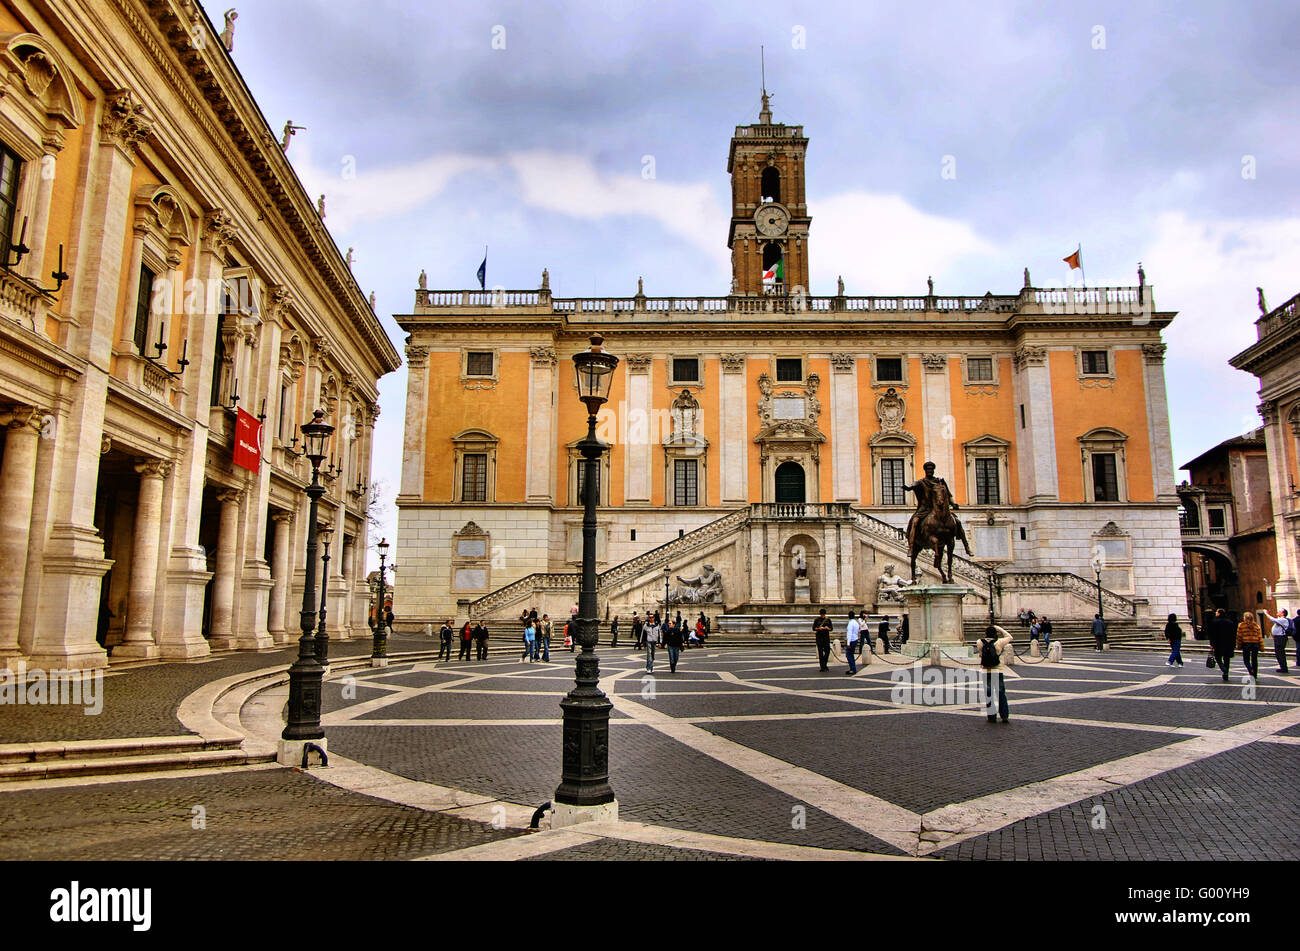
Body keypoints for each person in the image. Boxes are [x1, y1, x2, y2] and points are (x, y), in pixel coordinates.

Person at [977, 625, 1014, 723]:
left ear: (985, 633)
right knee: (1001, 693)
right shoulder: (999, 642)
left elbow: (981, 654)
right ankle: (1004, 715)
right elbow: (1010, 637)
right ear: (995, 633)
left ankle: (991, 716)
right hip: (997, 670)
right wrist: (1000, 629)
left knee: (989, 694)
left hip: (986, 671)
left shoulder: (980, 642)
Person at [1208, 608, 1236, 682]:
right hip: (1228, 643)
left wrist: (1211, 644)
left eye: (1216, 612)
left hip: (1218, 643)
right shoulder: (1230, 622)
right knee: (1227, 659)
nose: (1215, 613)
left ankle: (1224, 669)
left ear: (1219, 613)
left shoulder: (1214, 622)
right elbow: (1233, 634)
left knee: (1218, 658)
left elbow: (1212, 634)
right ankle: (1226, 674)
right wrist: (1233, 644)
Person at [1261, 607, 1291, 674]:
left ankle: (1283, 668)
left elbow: (1272, 619)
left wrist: (1266, 613)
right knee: (1279, 653)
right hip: (1278, 638)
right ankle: (1283, 667)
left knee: (1280, 653)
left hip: (1280, 638)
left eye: (1279, 611)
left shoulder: (1283, 620)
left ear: (1283, 613)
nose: (1277, 612)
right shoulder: (1280, 619)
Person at [1237, 611, 1263, 680]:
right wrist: (1261, 646)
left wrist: (1239, 646)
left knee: (1246, 660)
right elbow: (1260, 637)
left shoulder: (1241, 625)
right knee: (1255, 660)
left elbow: (1239, 637)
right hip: (1255, 643)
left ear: (1244, 618)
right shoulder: (1256, 625)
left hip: (1246, 644)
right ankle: (1255, 674)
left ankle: (1250, 669)